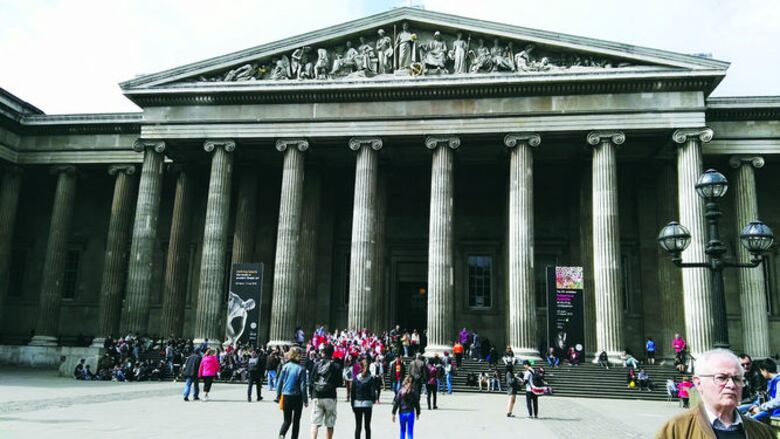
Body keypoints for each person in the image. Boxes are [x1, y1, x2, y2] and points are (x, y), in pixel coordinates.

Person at [654, 349, 773, 439]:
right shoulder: (674, 431)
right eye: (721, 378)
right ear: (698, 383)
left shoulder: (762, 433)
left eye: (737, 379)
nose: (731, 385)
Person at [310, 344, 341, 439]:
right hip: (330, 396)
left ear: (323, 352)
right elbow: (339, 382)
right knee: (330, 424)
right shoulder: (336, 366)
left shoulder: (316, 364)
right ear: (332, 353)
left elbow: (311, 380)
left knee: (315, 423)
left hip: (317, 395)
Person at [277, 346, 308, 439]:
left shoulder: (285, 367)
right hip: (297, 397)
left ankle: (281, 435)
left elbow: (279, 382)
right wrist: (305, 399)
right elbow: (303, 386)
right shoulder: (301, 369)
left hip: (286, 395)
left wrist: (278, 395)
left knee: (287, 420)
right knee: (296, 421)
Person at [351, 359, 378, 439]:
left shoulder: (356, 379)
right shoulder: (370, 379)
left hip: (357, 404)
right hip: (367, 404)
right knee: (367, 426)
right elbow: (373, 393)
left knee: (358, 426)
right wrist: (372, 400)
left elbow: (352, 393)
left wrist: (352, 405)